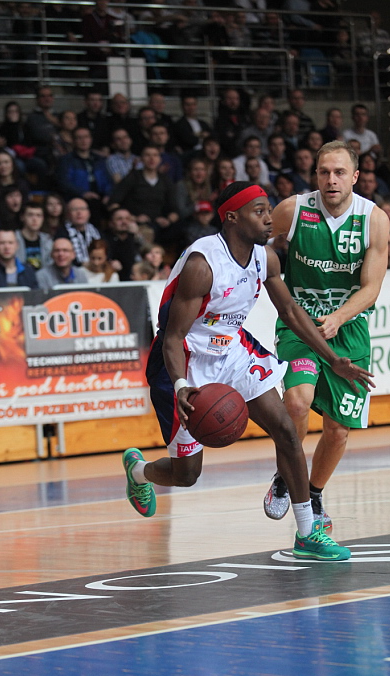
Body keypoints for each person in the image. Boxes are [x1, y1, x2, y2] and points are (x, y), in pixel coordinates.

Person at [122, 181, 375, 561]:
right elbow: (172, 337)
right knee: (187, 474)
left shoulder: (266, 258)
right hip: (186, 360)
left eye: (269, 210)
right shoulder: (202, 265)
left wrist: (332, 357)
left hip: (233, 351)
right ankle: (139, 471)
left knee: (286, 429)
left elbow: (290, 311)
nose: (269, 219)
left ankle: (308, 532)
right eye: (259, 212)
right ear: (232, 218)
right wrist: (180, 385)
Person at [267, 141, 388, 532]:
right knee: (296, 402)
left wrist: (337, 317)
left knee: (338, 431)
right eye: (324, 172)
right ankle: (287, 475)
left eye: (339, 173)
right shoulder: (293, 210)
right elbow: (254, 244)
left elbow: (371, 289)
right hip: (300, 325)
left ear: (355, 177)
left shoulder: (374, 219)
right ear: (315, 175)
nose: (331, 180)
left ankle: (314, 493)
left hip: (348, 330)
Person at [55, 197, 102, 267]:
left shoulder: (96, 231)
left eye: (82, 209)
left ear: (89, 213)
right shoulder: (61, 233)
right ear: (68, 214)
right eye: (75, 209)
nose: (79, 213)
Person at [15, 201, 53, 271]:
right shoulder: (13, 239)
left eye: (38, 215)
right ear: (22, 217)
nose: (35, 219)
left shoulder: (48, 240)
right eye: (30, 215)